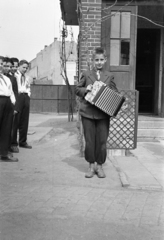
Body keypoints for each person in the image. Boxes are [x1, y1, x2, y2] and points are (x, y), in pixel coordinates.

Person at [75, 47, 118, 178]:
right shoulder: (86, 74)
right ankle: (90, 166)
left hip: (103, 115)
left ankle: (99, 166)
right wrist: (85, 90)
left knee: (101, 142)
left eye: (101, 60)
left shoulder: (109, 76)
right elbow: (77, 89)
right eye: (96, 60)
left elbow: (115, 92)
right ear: (93, 61)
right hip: (88, 113)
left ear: (105, 60)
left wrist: (117, 97)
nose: (99, 62)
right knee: (89, 141)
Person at [11, 59, 32, 152]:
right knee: (16, 121)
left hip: (25, 97)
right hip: (18, 97)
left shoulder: (26, 77)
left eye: (26, 68)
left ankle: (23, 141)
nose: (25, 69)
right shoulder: (15, 76)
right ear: (19, 66)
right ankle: (13, 143)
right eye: (23, 67)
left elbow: (28, 87)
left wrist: (28, 95)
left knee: (24, 120)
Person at [0, 56, 18, 162]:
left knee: (6, 129)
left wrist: (12, 103)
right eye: (1, 64)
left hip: (7, 103)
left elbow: (11, 92)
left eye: (2, 64)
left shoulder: (7, 78)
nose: (1, 66)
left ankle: (4, 154)